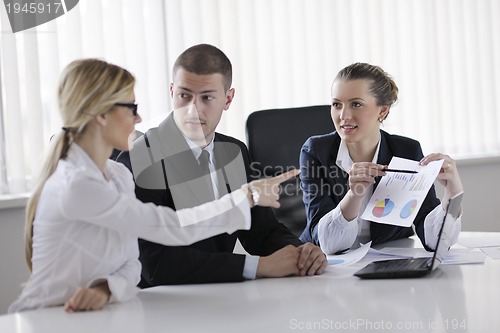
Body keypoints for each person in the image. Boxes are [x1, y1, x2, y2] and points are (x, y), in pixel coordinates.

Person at [8, 59, 298, 313]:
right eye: (131, 108)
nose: (139, 119)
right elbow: (170, 228)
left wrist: (105, 288)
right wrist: (245, 198)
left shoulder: (115, 176)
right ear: (102, 114)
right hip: (48, 318)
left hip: (99, 315)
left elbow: (130, 264)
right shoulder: (77, 185)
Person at [116, 44, 327, 286]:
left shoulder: (234, 151)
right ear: (172, 91)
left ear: (228, 99)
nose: (193, 110)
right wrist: (257, 266)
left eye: (207, 97)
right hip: (163, 307)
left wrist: (303, 252)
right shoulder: (139, 159)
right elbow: (157, 264)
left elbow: (260, 231)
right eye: (184, 95)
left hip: (222, 297)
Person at [299, 62, 464, 255]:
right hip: (321, 267)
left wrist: (453, 193)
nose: (343, 115)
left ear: (382, 111)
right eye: (337, 104)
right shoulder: (316, 151)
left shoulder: (407, 150)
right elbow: (328, 244)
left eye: (356, 104)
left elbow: (436, 241)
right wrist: (354, 194)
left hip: (386, 261)